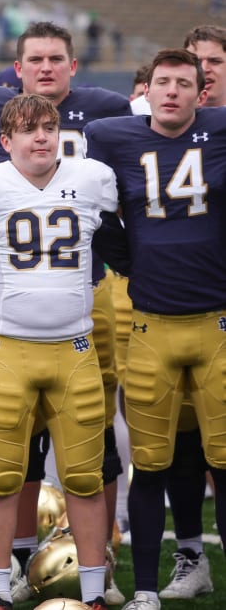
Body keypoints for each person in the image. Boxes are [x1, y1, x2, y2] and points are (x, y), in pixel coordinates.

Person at [0, 20, 131, 605]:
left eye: (48, 129)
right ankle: (1, 591)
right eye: (27, 131)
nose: (40, 139)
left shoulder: (93, 177)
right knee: (2, 479)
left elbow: (122, 242)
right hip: (5, 350)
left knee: (84, 478)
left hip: (76, 347)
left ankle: (95, 590)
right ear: (5, 140)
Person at [84, 47, 226, 610]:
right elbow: (95, 217)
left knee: (223, 459)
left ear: (202, 92)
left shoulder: (220, 130)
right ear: (147, 91)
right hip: (150, 324)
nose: (171, 91)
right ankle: (146, 589)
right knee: (152, 463)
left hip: (217, 323)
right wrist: (130, 261)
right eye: (162, 82)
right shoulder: (113, 137)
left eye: (182, 83)